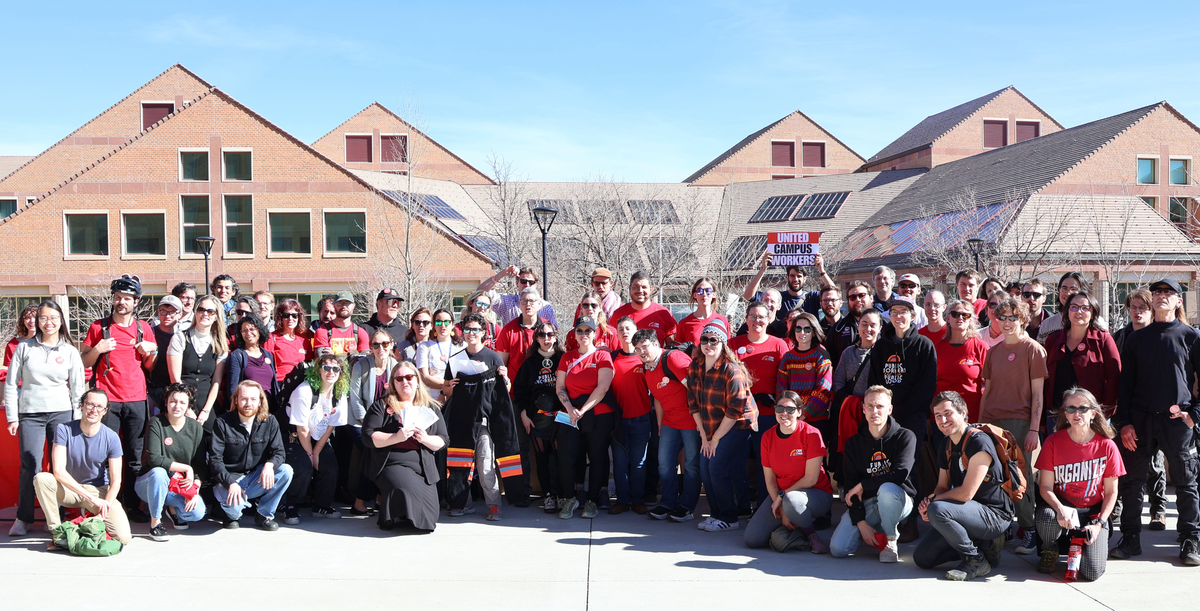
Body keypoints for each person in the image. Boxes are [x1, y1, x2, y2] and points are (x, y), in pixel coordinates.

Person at [1110, 279, 1200, 565]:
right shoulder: (1137, 339)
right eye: (1158, 292)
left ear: (1178, 301)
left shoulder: (1191, 336)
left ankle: (1190, 541)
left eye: (1168, 293)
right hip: (1140, 420)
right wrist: (1124, 423)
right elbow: (1125, 385)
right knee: (1133, 483)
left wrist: (1194, 416)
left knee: (1186, 482)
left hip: (1177, 420)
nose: (1162, 296)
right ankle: (1130, 539)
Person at [914, 391, 1014, 581]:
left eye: (948, 413)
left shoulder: (979, 442)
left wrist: (934, 502)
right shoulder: (946, 444)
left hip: (995, 515)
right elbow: (942, 487)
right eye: (937, 416)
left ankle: (975, 560)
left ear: (963, 412)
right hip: (966, 514)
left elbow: (966, 493)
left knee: (939, 509)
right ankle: (983, 548)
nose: (943, 420)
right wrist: (929, 503)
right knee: (922, 558)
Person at [80, 274, 157, 521]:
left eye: (127, 298)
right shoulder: (98, 327)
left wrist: (150, 352)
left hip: (136, 399)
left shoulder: (144, 328)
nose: (121, 302)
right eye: (117, 297)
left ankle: (133, 505)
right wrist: (98, 349)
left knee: (134, 456)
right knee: (103, 454)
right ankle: (101, 505)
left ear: (136, 301)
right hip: (107, 401)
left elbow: (150, 367)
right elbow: (84, 361)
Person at [5, 300, 85, 537]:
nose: (48, 323)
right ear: (36, 321)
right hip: (31, 413)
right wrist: (13, 417)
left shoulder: (70, 351)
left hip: (61, 413)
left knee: (60, 466)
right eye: (43, 318)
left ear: (61, 321)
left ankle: (57, 516)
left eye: (53, 318)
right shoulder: (24, 348)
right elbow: (11, 385)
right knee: (30, 465)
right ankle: (24, 517)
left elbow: (78, 389)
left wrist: (77, 419)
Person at [978, 296, 1047, 554]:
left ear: (1023, 320)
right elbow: (987, 391)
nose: (1006, 323)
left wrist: (1033, 429)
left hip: (1020, 422)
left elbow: (1038, 394)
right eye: (1001, 317)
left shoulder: (1033, 349)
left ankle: (1028, 529)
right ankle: (1003, 524)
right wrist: (980, 425)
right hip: (991, 422)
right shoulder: (993, 352)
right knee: (995, 476)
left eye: (1013, 317)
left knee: (1020, 476)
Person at [1033, 387, 1124, 580]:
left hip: (1093, 513)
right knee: (1047, 517)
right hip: (1063, 509)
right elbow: (1045, 487)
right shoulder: (1053, 442)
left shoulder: (1108, 446)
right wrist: (1059, 508)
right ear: (1065, 414)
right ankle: (1050, 550)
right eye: (1071, 408)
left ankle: (1082, 546)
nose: (1077, 413)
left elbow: (1111, 493)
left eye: (1083, 408)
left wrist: (1099, 523)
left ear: (1093, 413)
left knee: (1091, 573)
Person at [442, 312, 522, 520]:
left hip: (485, 421)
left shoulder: (492, 357)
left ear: (483, 332)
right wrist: (448, 387)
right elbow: (447, 392)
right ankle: (462, 503)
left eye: (475, 329)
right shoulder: (455, 360)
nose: (471, 333)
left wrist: (506, 380)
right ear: (462, 331)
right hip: (460, 421)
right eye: (467, 329)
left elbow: (505, 388)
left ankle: (494, 505)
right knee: (459, 465)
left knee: (486, 464)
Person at [33, 388, 132, 547]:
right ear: (81, 405)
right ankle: (57, 532)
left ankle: (83, 526)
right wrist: (90, 498)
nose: (94, 410)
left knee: (123, 537)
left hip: (98, 490)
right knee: (42, 478)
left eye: (99, 407)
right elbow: (58, 471)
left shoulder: (111, 437)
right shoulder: (63, 429)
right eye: (90, 404)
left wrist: (103, 508)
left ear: (105, 411)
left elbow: (115, 482)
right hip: (68, 489)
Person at [831, 386, 917, 562]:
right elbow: (850, 488)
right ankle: (874, 530)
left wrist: (864, 485)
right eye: (869, 406)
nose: (874, 411)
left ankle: (891, 539)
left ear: (890, 409)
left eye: (880, 406)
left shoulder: (905, 437)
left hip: (898, 499)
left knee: (887, 490)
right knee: (838, 549)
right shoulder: (853, 444)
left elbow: (900, 474)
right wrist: (861, 523)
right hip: (868, 503)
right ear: (863, 408)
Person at [362, 360, 448, 532]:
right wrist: (396, 437)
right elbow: (368, 436)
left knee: (431, 514)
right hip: (392, 461)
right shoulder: (382, 404)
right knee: (403, 487)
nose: (405, 382)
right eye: (399, 379)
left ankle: (404, 512)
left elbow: (443, 441)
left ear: (417, 380)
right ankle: (393, 514)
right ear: (393, 383)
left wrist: (425, 439)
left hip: (422, 464)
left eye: (409, 377)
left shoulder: (431, 407)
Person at [745, 390, 833, 551]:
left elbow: (811, 479)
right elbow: (770, 480)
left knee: (792, 500)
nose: (784, 413)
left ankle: (811, 536)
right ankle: (794, 529)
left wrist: (782, 499)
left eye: (790, 409)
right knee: (753, 539)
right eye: (779, 409)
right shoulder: (767, 437)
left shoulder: (812, 434)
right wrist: (782, 508)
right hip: (782, 496)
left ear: (799, 412)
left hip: (815, 494)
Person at [689, 321, 755, 532]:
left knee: (716, 468)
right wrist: (704, 436)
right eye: (704, 340)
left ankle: (730, 517)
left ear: (723, 343)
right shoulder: (695, 367)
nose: (708, 344)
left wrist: (715, 439)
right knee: (706, 469)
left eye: (714, 340)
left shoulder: (732, 371)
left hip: (737, 426)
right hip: (710, 426)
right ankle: (717, 514)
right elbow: (693, 404)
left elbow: (735, 411)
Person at [1111, 288, 1168, 531]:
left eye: (1142, 307)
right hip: (1126, 408)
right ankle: (1120, 505)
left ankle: (1158, 509)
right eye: (1133, 307)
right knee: (1125, 459)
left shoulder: (1159, 335)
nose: (1136, 312)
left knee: (1155, 462)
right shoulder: (1120, 337)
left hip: (1154, 409)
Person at [554, 315, 616, 519]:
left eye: (588, 330)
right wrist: (570, 408)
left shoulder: (602, 357)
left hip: (597, 414)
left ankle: (591, 501)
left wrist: (584, 409)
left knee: (598, 456)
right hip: (572, 413)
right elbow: (560, 387)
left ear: (594, 333)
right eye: (579, 331)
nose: (583, 335)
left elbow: (603, 387)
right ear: (574, 334)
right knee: (566, 456)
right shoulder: (567, 357)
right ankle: (570, 498)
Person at [209, 380, 293, 530]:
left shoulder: (270, 421)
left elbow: (279, 452)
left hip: (255, 478)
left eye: (253, 399)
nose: (248, 403)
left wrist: (270, 464)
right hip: (229, 481)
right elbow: (215, 460)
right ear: (236, 400)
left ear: (260, 401)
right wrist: (231, 483)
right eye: (244, 399)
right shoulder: (222, 423)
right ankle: (231, 514)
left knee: (285, 471)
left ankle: (264, 514)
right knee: (235, 508)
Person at [729, 301, 790, 506]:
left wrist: (776, 401)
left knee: (767, 463)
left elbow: (786, 379)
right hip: (738, 414)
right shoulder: (733, 344)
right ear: (746, 319)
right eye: (753, 316)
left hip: (767, 414)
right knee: (737, 461)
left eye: (761, 317)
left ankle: (765, 506)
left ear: (769, 319)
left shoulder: (778, 344)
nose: (757, 320)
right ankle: (743, 504)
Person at [636, 329, 697, 522]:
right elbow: (657, 398)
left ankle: (686, 507)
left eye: (644, 346)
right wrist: (661, 424)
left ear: (656, 344)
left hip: (691, 421)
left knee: (691, 466)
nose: (641, 352)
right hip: (670, 422)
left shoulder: (673, 359)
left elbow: (697, 388)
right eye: (637, 349)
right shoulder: (647, 368)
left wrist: (702, 422)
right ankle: (668, 503)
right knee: (664, 464)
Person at [135, 383, 207, 541]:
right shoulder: (156, 423)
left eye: (182, 402)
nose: (177, 406)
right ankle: (155, 524)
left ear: (188, 406)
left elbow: (201, 466)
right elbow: (155, 460)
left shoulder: (196, 428)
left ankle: (173, 510)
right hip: (149, 483)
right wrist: (186, 468)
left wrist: (194, 489)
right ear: (166, 402)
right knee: (159, 473)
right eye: (173, 401)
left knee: (197, 513)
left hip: (178, 485)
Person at [282, 354, 348, 523]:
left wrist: (317, 451)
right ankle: (290, 505)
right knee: (303, 468)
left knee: (330, 467)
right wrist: (311, 456)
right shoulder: (304, 391)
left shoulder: (339, 393)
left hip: (318, 436)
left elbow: (332, 425)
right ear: (318, 370)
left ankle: (321, 505)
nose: (331, 372)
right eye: (326, 368)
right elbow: (301, 428)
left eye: (336, 369)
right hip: (294, 436)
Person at [1043, 291, 1120, 434]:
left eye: (1085, 308)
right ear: (1067, 311)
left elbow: (1114, 376)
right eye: (1074, 307)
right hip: (1057, 415)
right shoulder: (1052, 340)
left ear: (1093, 313)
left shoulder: (1103, 340)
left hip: (1091, 416)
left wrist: (1105, 412)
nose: (1079, 311)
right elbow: (1045, 379)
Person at [867, 296, 937, 449]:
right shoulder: (879, 347)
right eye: (894, 312)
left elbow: (926, 387)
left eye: (903, 311)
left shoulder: (924, 345)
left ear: (912, 316)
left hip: (913, 417)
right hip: (884, 416)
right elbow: (874, 383)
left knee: (908, 465)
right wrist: (883, 411)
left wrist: (899, 412)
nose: (898, 316)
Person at [514, 321, 565, 513]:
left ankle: (561, 494)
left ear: (555, 336)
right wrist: (524, 415)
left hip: (560, 416)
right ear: (536, 338)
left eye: (550, 335)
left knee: (560, 457)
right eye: (542, 335)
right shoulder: (529, 363)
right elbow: (521, 392)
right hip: (536, 416)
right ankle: (549, 496)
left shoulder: (563, 359)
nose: (546, 339)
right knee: (542, 457)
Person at [348, 329, 398, 515]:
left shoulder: (395, 366)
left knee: (381, 453)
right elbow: (355, 398)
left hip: (384, 423)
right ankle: (360, 502)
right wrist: (368, 422)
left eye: (385, 344)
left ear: (391, 345)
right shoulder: (361, 365)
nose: (381, 348)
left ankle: (378, 499)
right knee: (374, 453)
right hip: (358, 422)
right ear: (371, 347)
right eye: (376, 345)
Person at [608, 316, 653, 514]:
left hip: (641, 419)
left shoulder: (644, 359)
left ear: (635, 330)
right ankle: (622, 500)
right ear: (616, 334)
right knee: (619, 462)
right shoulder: (611, 358)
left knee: (639, 463)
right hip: (618, 421)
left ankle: (637, 500)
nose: (624, 332)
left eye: (628, 328)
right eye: (620, 329)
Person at [167, 294, 228, 432]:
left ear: (216, 316)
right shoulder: (180, 338)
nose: (205, 314)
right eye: (201, 309)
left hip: (207, 404)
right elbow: (175, 380)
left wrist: (206, 411)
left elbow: (216, 382)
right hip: (179, 403)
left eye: (210, 311)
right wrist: (186, 408)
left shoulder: (219, 344)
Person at [775, 312, 833, 446]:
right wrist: (789, 413)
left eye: (807, 329)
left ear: (813, 332)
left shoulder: (821, 354)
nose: (802, 332)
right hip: (791, 418)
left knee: (816, 460)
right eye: (798, 328)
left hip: (816, 418)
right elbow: (781, 389)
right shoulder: (787, 357)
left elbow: (824, 388)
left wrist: (804, 414)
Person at [832, 310, 882, 457]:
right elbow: (838, 382)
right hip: (850, 412)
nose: (868, 329)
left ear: (880, 328)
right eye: (864, 324)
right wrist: (853, 402)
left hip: (875, 412)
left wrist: (870, 403)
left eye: (873, 325)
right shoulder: (848, 352)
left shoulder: (883, 353)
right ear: (858, 326)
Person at [934, 299, 989, 423]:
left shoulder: (980, 347)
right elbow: (930, 383)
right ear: (948, 318)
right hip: (942, 418)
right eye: (955, 314)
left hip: (972, 416)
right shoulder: (938, 348)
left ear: (971, 319)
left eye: (965, 315)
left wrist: (982, 418)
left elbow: (990, 385)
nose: (960, 318)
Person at [742, 251, 834, 317]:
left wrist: (822, 271)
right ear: (787, 277)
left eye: (799, 276)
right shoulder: (778, 298)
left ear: (805, 279)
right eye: (792, 276)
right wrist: (763, 269)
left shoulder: (812, 297)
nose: (795, 279)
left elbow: (834, 294)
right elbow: (748, 296)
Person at [227, 313, 281, 408]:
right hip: (249, 409)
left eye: (252, 329)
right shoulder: (237, 356)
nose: (248, 333)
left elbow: (273, 385)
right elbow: (233, 389)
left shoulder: (268, 355)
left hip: (270, 409)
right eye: (244, 330)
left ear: (259, 330)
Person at [611, 271, 678, 346]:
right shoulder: (618, 314)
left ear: (651, 289)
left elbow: (672, 347)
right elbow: (611, 343)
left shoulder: (664, 313)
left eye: (644, 287)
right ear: (630, 288)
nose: (640, 290)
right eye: (635, 287)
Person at [478, 265, 559, 326]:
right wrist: (502, 274)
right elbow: (480, 293)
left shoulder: (545, 307)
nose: (527, 285)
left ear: (536, 284)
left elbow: (553, 332)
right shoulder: (508, 302)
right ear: (517, 283)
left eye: (531, 282)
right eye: (523, 281)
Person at [145, 296, 183, 414]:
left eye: (172, 312)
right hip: (156, 391)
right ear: (158, 312)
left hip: (178, 391)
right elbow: (145, 367)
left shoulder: (183, 337)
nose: (167, 316)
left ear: (180, 314)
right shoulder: (150, 334)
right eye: (163, 311)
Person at [264, 298, 315, 385]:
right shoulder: (271, 338)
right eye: (286, 315)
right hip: (280, 383)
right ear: (280, 317)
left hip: (300, 384)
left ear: (299, 317)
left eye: (294, 315)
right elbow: (266, 366)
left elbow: (309, 365)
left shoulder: (304, 340)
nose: (290, 319)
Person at [1037, 272, 1095, 345]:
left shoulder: (1096, 322)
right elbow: (1040, 354)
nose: (1068, 293)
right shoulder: (1048, 324)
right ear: (1059, 290)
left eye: (1073, 289)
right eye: (1064, 289)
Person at [415, 308, 461, 401]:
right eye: (439, 322)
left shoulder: (462, 346)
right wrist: (446, 386)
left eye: (447, 322)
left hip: (457, 397)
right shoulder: (425, 347)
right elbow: (424, 377)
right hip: (433, 399)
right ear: (433, 325)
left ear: (452, 324)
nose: (443, 325)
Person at [826, 281, 872, 368]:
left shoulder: (885, 324)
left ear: (871, 297)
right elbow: (829, 361)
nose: (857, 300)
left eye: (862, 295)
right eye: (852, 297)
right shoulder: (838, 329)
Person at [677, 277, 730, 346]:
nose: (704, 294)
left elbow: (728, 347)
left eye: (708, 291)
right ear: (694, 295)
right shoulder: (684, 323)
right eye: (700, 291)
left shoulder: (722, 320)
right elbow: (679, 353)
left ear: (714, 294)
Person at [314, 291, 369, 357]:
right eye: (340, 303)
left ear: (353, 306)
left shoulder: (360, 332)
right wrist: (353, 355)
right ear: (334, 306)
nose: (343, 306)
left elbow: (364, 360)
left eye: (347, 303)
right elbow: (323, 360)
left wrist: (334, 356)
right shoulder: (323, 331)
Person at [1, 304, 38, 384]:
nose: (32, 321)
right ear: (23, 321)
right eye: (28, 317)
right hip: (19, 388)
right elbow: (11, 372)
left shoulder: (49, 343)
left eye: (35, 317)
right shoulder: (13, 344)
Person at [816, 286, 846, 364]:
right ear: (820, 304)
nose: (829, 304)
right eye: (825, 301)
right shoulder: (816, 330)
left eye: (833, 300)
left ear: (841, 302)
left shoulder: (850, 327)